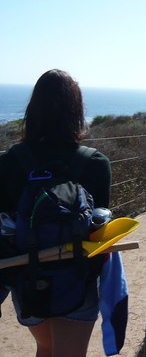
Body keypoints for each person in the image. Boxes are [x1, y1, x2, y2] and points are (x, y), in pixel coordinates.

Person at [0, 69, 112, 357]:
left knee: (45, 347)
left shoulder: (9, 163)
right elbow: (100, 228)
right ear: (77, 111)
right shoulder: (96, 164)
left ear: (32, 110)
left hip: (26, 278)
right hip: (78, 279)